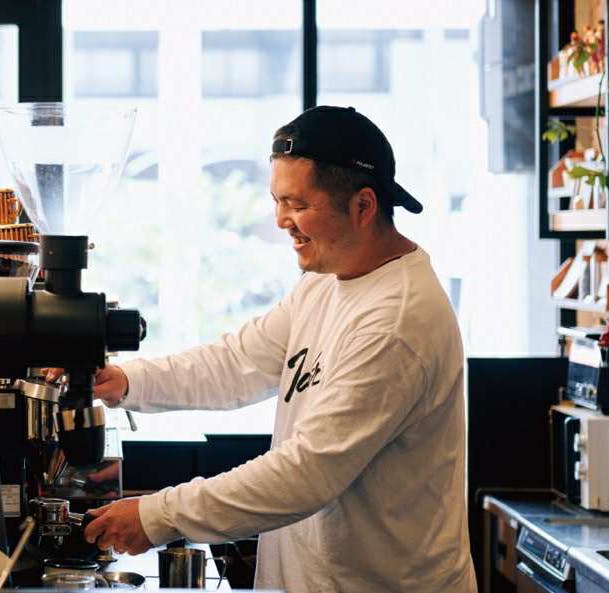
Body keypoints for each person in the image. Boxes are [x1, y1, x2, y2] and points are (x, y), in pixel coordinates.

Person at [81, 106, 477, 593]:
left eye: (297, 204)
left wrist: (157, 515)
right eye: (276, 201)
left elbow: (306, 473)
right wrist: (126, 381)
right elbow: (237, 363)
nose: (281, 220)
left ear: (363, 206)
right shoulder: (327, 280)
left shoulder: (396, 321)